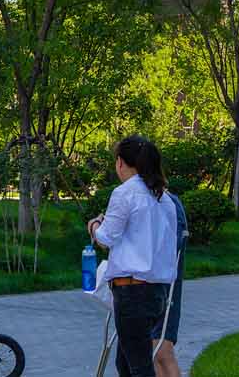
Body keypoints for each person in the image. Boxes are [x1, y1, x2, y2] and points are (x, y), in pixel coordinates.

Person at [86, 136, 178, 377]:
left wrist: (94, 226)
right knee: (126, 363)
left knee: (139, 367)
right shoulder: (164, 198)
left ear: (120, 162)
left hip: (132, 292)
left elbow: (106, 238)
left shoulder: (124, 193)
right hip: (157, 292)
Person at [150, 189, 189, 377]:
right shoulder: (151, 200)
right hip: (149, 287)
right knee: (154, 350)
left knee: (162, 349)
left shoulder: (167, 203)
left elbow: (172, 251)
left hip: (164, 286)